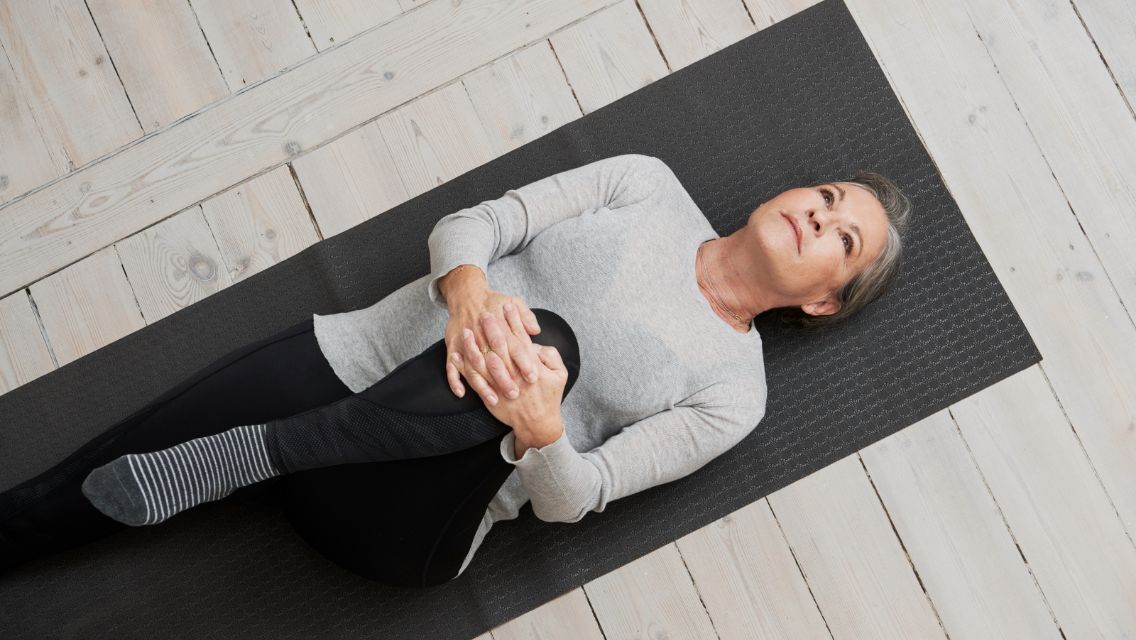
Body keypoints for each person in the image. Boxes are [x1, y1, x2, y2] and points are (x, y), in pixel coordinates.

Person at [0, 153, 911, 587]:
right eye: (825, 197)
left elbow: (572, 498)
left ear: (825, 299)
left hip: (409, 511)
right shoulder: (646, 184)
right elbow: (470, 226)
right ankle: (278, 447)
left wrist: (540, 422)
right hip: (345, 366)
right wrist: (472, 299)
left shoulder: (734, 392)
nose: (817, 216)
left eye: (842, 237)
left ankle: (278, 450)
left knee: (546, 342)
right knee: (78, 487)